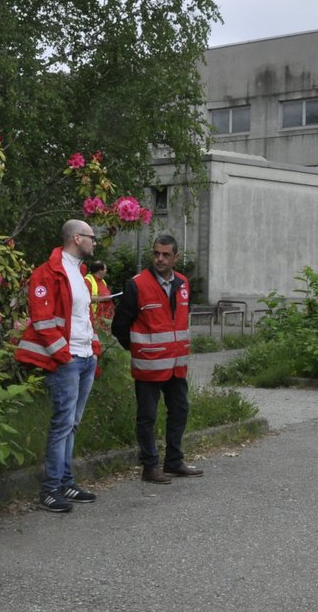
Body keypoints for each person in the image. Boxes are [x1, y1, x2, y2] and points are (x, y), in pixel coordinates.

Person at [15, 219, 102, 513]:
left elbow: (83, 318)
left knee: (72, 424)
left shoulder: (80, 273)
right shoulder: (47, 272)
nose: (94, 242)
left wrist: (94, 350)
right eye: (91, 237)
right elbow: (42, 321)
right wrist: (63, 356)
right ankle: (51, 488)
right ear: (77, 238)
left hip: (85, 357)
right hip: (67, 360)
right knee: (62, 424)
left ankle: (66, 482)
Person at [111, 234, 203, 483]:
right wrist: (140, 349)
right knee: (147, 416)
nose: (159, 259)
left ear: (175, 257)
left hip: (176, 365)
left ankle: (173, 462)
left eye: (165, 255)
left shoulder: (183, 283)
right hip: (149, 366)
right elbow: (119, 326)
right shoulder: (137, 284)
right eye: (156, 254)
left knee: (180, 411)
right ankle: (150, 467)